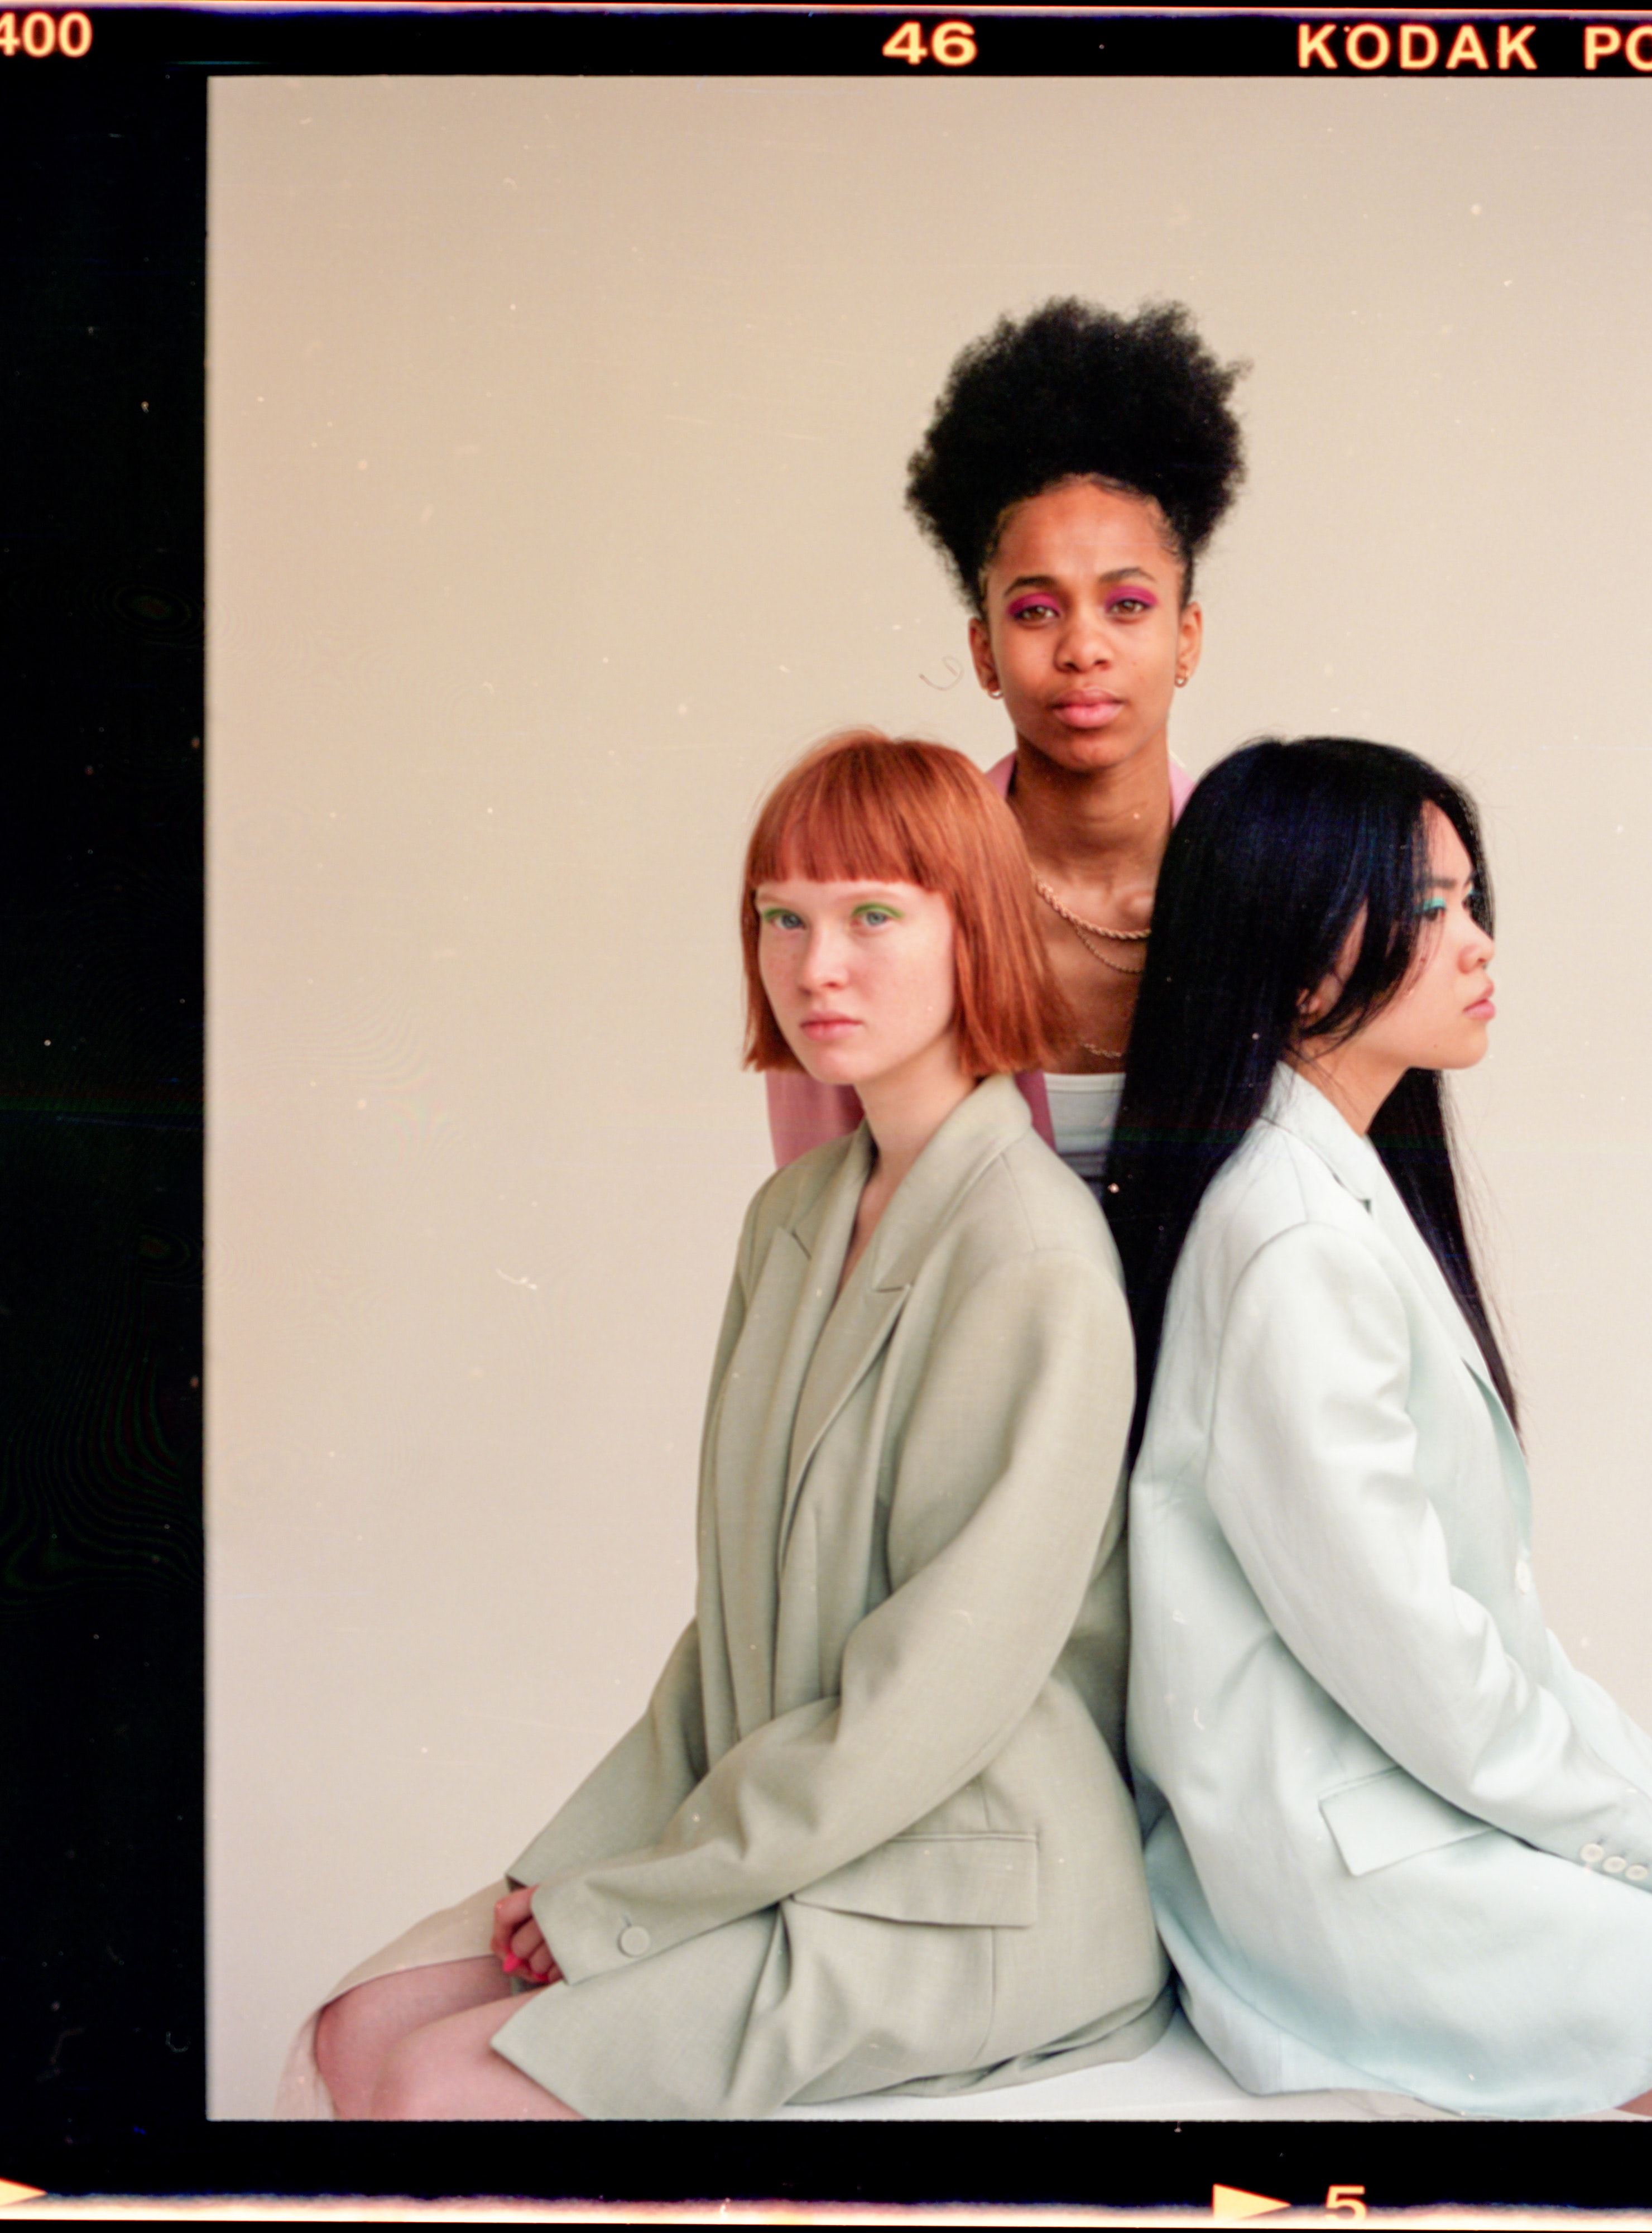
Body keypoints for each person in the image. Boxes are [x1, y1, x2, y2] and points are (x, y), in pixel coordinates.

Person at [294, 732, 1171, 2119]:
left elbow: (930, 1693)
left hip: (966, 1892)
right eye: (783, 915)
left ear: (976, 932)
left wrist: (645, 1893)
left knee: (430, 2085)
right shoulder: (795, 1215)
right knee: (359, 2023)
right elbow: (736, 1626)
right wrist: (573, 1858)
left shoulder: (1032, 1255)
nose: (816, 963)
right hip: (801, 1843)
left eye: (874, 913)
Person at [1103, 737, 1652, 2120]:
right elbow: (1422, 1661)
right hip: (1346, 1875)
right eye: (1429, 905)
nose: (1478, 941)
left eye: (1467, 897)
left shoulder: (1331, 1189)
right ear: (1297, 953)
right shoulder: (1289, 1239)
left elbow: (1480, 1620)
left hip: (1403, 1812)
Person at [769, 296, 1247, 1183]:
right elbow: (819, 1211)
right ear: (984, 652)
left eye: (1129, 604)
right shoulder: (890, 888)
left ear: (1188, 638)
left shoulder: (1273, 890)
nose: (1082, 647)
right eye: (1035, 610)